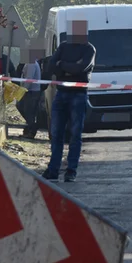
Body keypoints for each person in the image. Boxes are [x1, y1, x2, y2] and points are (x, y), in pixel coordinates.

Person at [43, 20, 95, 183]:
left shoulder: (89, 49)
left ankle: (71, 171)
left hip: (78, 95)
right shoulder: (64, 46)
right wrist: (70, 67)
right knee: (56, 133)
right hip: (61, 93)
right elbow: (51, 66)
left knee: (75, 135)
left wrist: (62, 65)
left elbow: (81, 68)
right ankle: (53, 169)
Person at [17, 47, 44, 139]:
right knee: (23, 108)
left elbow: (29, 79)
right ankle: (31, 127)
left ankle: (32, 129)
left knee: (29, 111)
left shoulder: (31, 63)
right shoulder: (29, 63)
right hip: (30, 91)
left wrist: (23, 90)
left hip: (31, 92)